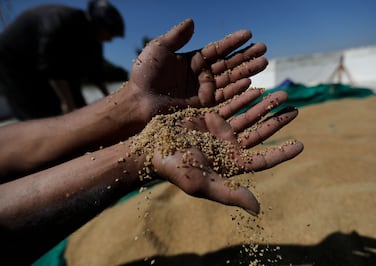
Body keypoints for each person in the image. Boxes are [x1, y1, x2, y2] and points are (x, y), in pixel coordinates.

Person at [0, 19, 303, 264]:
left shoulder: (73, 31)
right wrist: (141, 153)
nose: (107, 41)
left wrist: (131, 103)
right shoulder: (59, 28)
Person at [0, 0, 124, 120]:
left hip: (48, 64)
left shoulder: (94, 42)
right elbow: (52, 66)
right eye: (110, 33)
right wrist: (67, 103)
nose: (110, 39)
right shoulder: (61, 20)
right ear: (99, 24)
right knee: (41, 113)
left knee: (79, 108)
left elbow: (96, 73)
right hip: (15, 58)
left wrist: (111, 101)